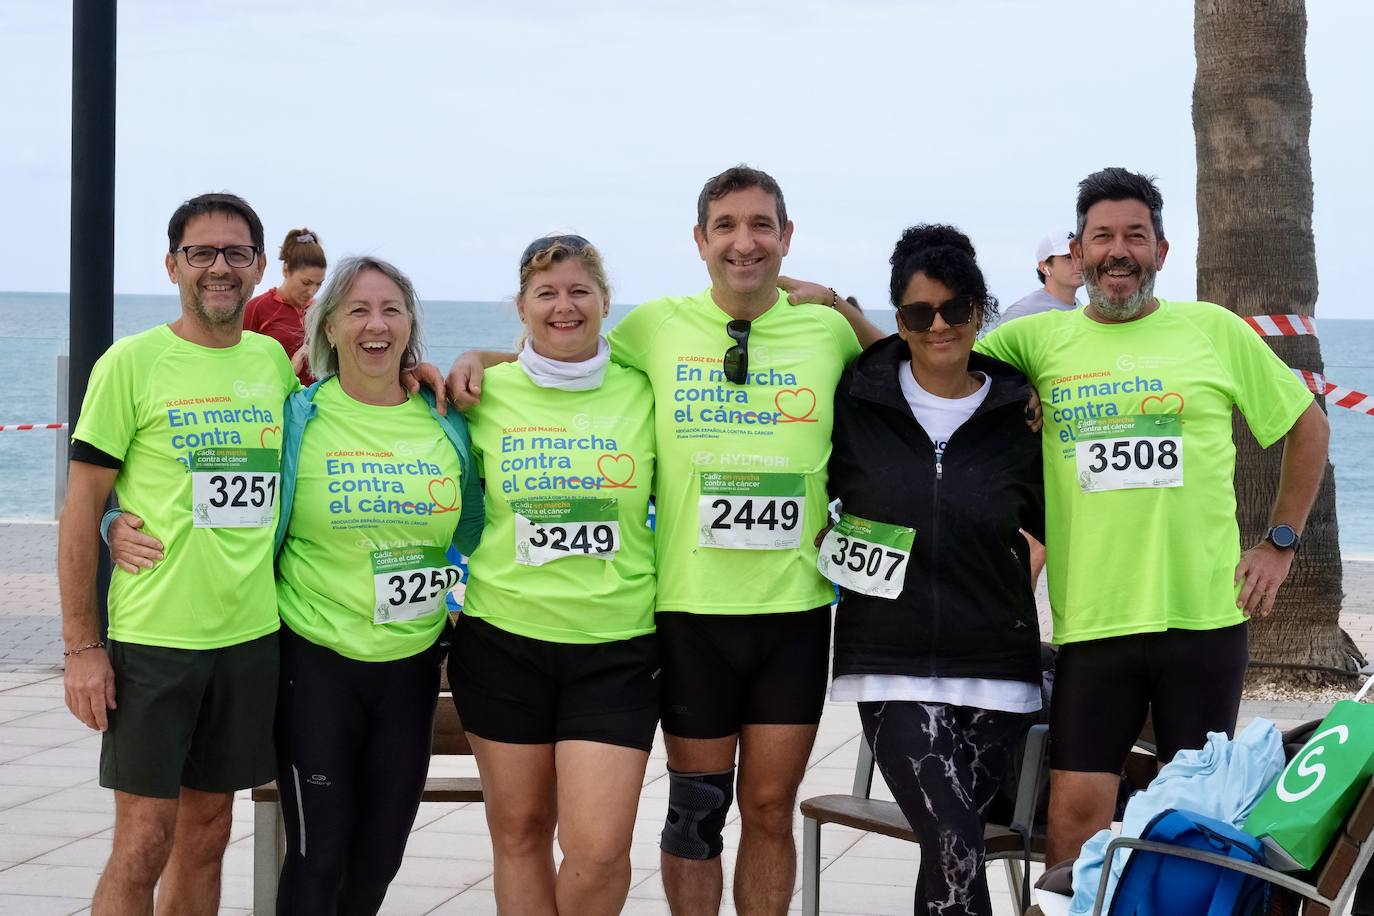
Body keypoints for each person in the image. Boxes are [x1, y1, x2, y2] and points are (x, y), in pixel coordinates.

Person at [446, 166, 886, 915]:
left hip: (794, 613)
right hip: (685, 615)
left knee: (771, 812)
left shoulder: (826, 329)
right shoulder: (655, 329)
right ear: (699, 240)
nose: (743, 242)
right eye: (726, 226)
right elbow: (561, 354)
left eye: (760, 225)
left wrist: (841, 301)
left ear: (787, 237)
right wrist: (470, 361)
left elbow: (906, 371)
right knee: (695, 813)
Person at [106, 255, 484, 914]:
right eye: (358, 310)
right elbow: (176, 460)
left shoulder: (446, 416)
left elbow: (484, 521)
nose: (376, 324)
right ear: (329, 327)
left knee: (380, 855)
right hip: (315, 662)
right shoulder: (295, 413)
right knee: (319, 851)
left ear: (411, 326)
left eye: (391, 309)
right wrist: (112, 520)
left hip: (413, 664)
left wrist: (475, 354)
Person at [976, 167, 1330, 868]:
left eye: (1135, 236)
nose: (1118, 251)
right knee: (1077, 816)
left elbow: (1308, 427)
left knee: (1189, 820)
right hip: (1095, 622)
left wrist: (1280, 542)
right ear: (1077, 253)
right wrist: (829, 307)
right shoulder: (1038, 342)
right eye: (1102, 237)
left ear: (1161, 251)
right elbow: (934, 365)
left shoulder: (1211, 330)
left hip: (1201, 621)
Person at [58, 192, 294, 915]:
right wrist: (81, 649)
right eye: (201, 253)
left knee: (207, 833)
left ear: (258, 269)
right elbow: (80, 509)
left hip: (249, 637)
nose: (218, 268)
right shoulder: (132, 363)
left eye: (236, 253)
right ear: (172, 265)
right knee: (144, 840)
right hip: (154, 641)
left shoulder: (274, 363)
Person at [824, 224, 1044, 916]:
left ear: (981, 311)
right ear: (900, 322)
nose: (940, 326)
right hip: (886, 661)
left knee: (954, 849)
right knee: (953, 839)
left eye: (956, 310)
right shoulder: (856, 401)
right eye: (920, 314)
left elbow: (1051, 521)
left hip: (998, 672)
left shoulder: (1023, 409)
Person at [448, 235, 657, 915]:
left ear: (603, 301)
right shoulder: (482, 394)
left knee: (597, 854)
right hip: (503, 643)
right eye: (547, 293)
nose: (563, 307)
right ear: (521, 306)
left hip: (616, 647)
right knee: (520, 832)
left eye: (578, 292)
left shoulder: (645, 390)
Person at [245, 228, 327, 385]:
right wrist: (289, 370)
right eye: (306, 283)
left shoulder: (319, 311)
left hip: (314, 403)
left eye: (319, 284)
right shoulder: (257, 308)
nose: (312, 291)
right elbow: (241, 363)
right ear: (286, 270)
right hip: (273, 400)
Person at [998, 230, 1083, 324]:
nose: (1079, 262)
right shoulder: (1022, 313)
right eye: (1069, 257)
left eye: (1080, 256)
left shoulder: (1082, 309)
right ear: (1044, 267)